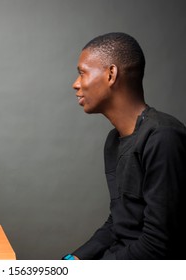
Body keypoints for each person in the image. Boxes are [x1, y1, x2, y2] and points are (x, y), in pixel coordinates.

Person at [65, 32, 186, 259]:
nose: (76, 84)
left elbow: (159, 246)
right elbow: (120, 222)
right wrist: (72, 261)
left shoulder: (163, 137)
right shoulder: (114, 142)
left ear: (111, 74)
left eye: (82, 73)